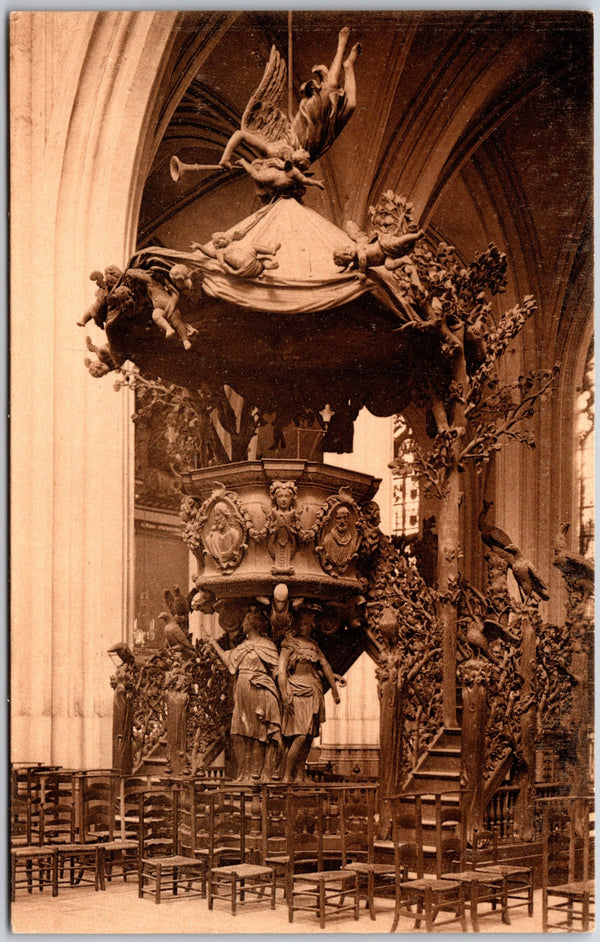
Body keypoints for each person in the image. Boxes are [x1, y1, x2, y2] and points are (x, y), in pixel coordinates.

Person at [210, 610, 283, 782]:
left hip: (259, 690)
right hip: (242, 691)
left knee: (257, 733)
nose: (242, 623)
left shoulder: (267, 645)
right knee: (238, 733)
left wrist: (282, 693)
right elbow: (230, 662)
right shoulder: (243, 645)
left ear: (253, 624)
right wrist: (213, 644)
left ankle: (256, 772)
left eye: (245, 621)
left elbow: (276, 671)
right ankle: (243, 773)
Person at [278, 607, 341, 783]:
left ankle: (300, 775)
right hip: (296, 692)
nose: (304, 627)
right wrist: (284, 695)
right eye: (301, 624)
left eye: (307, 624)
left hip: (313, 691)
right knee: (299, 736)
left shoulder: (313, 646)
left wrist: (334, 689)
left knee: (309, 737)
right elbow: (281, 671)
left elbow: (325, 665)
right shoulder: (289, 644)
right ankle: (286, 776)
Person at [203, 501, 243, 571]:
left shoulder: (235, 534)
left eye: (218, 515)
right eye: (215, 515)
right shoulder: (210, 539)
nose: (216, 519)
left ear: (226, 515)